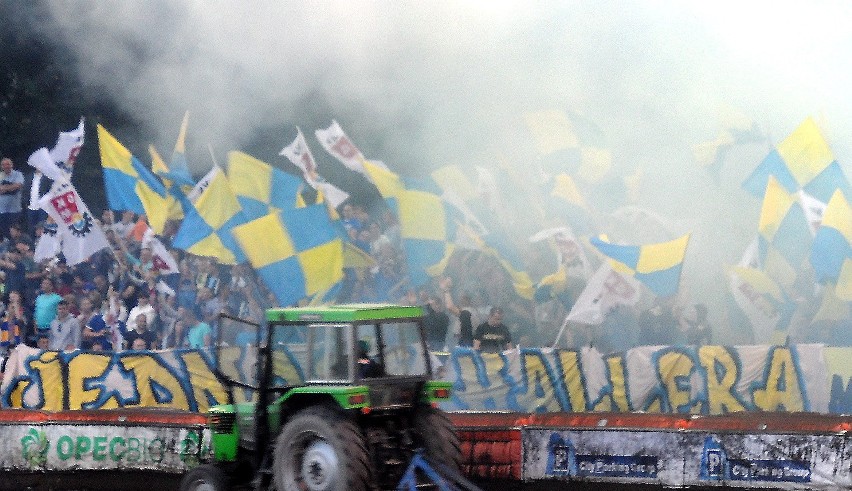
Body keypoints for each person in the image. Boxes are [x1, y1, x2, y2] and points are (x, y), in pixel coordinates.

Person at [440, 277, 474, 348]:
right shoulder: (462, 308)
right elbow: (444, 306)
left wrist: (446, 290)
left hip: (465, 343)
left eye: (463, 296)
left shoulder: (468, 311)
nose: (460, 297)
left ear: (468, 299)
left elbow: (449, 307)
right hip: (455, 340)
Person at [0, 158, 24, 241]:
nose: (6, 166)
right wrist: (11, 188)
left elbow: (18, 186)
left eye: (8, 164)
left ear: (11, 165)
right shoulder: (0, 175)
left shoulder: (18, 174)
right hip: (2, 210)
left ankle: (16, 245)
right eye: (4, 164)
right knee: (3, 230)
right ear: (1, 166)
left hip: (14, 209)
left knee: (15, 230)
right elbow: (13, 187)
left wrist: (3, 188)